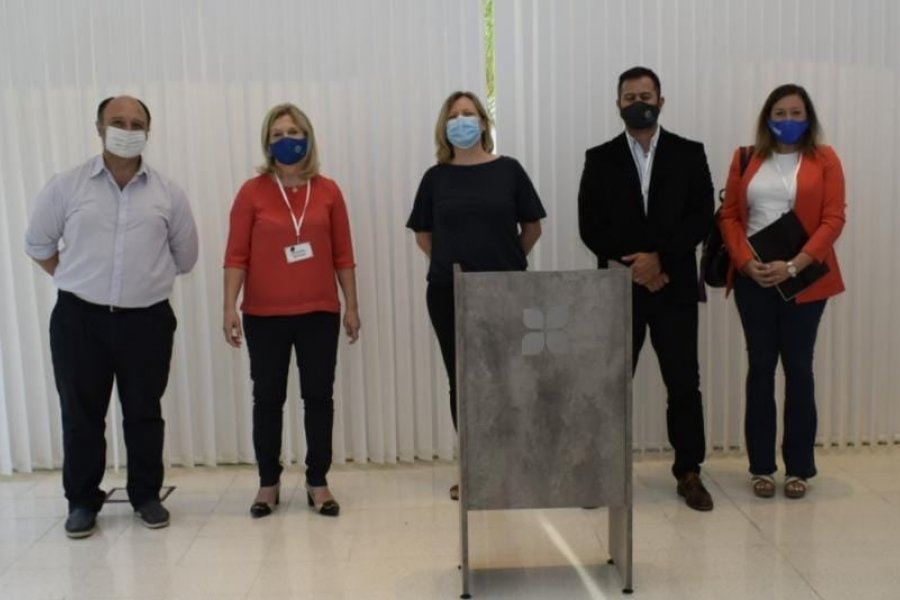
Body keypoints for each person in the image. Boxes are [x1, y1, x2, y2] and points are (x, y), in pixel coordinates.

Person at [25, 96, 199, 538]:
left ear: (148, 132)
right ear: (99, 128)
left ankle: (146, 496)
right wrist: (78, 279)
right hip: (79, 320)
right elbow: (38, 244)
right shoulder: (67, 186)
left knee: (144, 412)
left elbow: (185, 257)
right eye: (118, 122)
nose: (127, 130)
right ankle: (82, 501)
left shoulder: (168, 193)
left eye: (137, 124)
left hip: (147, 321)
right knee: (81, 414)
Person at [578, 67, 715, 511]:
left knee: (684, 382)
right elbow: (590, 226)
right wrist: (638, 266)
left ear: (661, 101)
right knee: (612, 384)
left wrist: (660, 259)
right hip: (619, 290)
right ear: (618, 104)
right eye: (630, 97)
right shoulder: (599, 158)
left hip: (674, 287)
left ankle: (689, 471)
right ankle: (602, 473)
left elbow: (701, 217)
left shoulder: (689, 153)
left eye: (647, 96)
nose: (639, 103)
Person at [406, 90, 546, 500]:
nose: (461, 121)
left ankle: (513, 466)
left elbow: (532, 228)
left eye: (468, 113)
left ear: (483, 123)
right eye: (453, 115)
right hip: (449, 294)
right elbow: (424, 235)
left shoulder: (509, 171)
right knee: (464, 383)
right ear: (444, 126)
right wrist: (453, 263)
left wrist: (504, 263)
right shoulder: (435, 178)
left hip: (505, 293)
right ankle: (475, 469)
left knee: (509, 380)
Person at [223, 103, 359, 518]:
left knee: (319, 397)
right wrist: (229, 306)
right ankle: (268, 483)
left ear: (308, 137)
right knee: (267, 399)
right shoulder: (252, 192)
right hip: (264, 315)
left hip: (319, 312)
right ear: (267, 143)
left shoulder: (329, 191)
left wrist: (352, 305)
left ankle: (318, 481)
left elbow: (343, 254)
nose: (287, 140)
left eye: (294, 132)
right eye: (278, 134)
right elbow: (236, 255)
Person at [719, 84, 845, 500]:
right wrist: (744, 262)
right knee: (760, 368)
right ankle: (761, 467)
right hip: (754, 278)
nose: (788, 120)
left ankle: (799, 468)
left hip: (805, 279)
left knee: (799, 368)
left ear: (807, 118)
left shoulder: (826, 159)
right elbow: (730, 216)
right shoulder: (745, 158)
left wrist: (794, 265)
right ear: (767, 118)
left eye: (796, 113)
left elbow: (833, 219)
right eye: (779, 113)